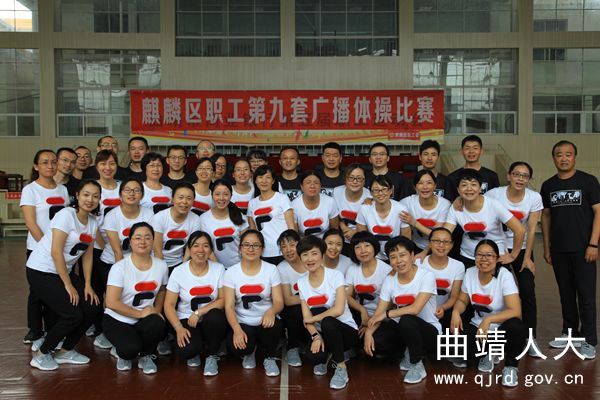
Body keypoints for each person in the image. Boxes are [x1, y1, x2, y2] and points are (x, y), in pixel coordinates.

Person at [26, 180, 102, 371]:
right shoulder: (66, 215)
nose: (90, 199)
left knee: (92, 307)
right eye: (86, 194)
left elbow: (87, 256)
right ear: (77, 195)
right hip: (41, 270)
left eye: (95, 196)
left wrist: (87, 284)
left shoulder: (93, 222)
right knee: (72, 314)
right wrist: (68, 285)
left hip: (62, 272)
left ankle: (66, 351)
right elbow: (56, 252)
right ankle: (42, 354)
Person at [541, 140, 600, 359]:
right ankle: (570, 333)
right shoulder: (548, 185)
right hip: (559, 250)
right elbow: (546, 217)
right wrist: (547, 247)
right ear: (553, 158)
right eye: (559, 154)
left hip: (584, 249)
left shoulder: (588, 181)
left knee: (586, 296)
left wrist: (593, 244)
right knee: (565, 295)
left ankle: (589, 340)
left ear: (575, 157)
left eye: (568, 154)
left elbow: (599, 212)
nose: (564, 158)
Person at [363, 236, 440, 384]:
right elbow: (379, 312)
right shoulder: (390, 280)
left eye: (402, 255)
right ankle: (408, 350)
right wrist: (368, 332)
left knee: (407, 320)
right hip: (403, 328)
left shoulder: (426, 276)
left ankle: (417, 364)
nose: (398, 261)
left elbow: (415, 309)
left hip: (428, 331)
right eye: (393, 257)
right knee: (377, 342)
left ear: (412, 256)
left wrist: (387, 314)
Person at [450, 240, 527, 387]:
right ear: (474, 257)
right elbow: (462, 300)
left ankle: (510, 367)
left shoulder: (504, 275)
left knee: (517, 327)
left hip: (501, 328)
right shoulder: (470, 272)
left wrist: (488, 320)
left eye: (489, 255)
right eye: (479, 255)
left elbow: (515, 311)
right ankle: (488, 352)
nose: (484, 259)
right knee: (455, 347)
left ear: (497, 258)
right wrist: (455, 311)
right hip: (478, 328)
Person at [486, 161, 543, 356]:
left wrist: (526, 257)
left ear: (529, 179)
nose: (520, 179)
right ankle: (495, 337)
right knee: (495, 291)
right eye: (516, 174)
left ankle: (530, 338)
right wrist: (459, 201)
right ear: (509, 176)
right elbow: (477, 203)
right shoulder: (494, 194)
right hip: (499, 248)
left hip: (523, 248)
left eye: (525, 176)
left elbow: (532, 229)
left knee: (527, 291)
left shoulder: (534, 197)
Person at [93, 179, 154, 349]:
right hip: (114, 263)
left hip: (140, 262)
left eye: (136, 190)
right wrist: (125, 275)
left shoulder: (149, 213)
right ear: (120, 194)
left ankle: (134, 331)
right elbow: (117, 251)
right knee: (115, 299)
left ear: (142, 194)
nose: (132, 194)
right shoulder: (112, 215)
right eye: (127, 190)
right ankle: (110, 333)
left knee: (135, 297)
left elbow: (150, 242)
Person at [103, 222, 168, 374]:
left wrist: (156, 311)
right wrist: (139, 314)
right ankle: (122, 352)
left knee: (158, 324)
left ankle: (146, 356)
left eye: (147, 238)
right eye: (138, 238)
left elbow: (162, 290)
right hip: (118, 319)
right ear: (130, 241)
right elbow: (111, 302)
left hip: (144, 318)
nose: (143, 242)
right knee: (129, 349)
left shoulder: (161, 266)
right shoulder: (119, 267)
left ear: (153, 241)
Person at [296, 235, 358, 390]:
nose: (310, 259)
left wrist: (314, 319)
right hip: (322, 332)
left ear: (322, 256)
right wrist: (315, 336)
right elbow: (306, 318)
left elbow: (338, 310)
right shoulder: (301, 283)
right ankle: (329, 354)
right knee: (314, 358)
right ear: (300, 258)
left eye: (314, 253)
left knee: (328, 321)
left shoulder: (335, 276)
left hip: (346, 332)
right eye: (305, 254)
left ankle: (341, 367)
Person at [20, 149, 69, 344]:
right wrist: (46, 248)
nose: (50, 165)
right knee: (37, 291)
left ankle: (51, 328)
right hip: (38, 248)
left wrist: (57, 249)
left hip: (59, 249)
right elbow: (31, 223)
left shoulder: (62, 190)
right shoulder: (30, 190)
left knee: (55, 290)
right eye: (45, 162)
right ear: (36, 166)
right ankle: (35, 330)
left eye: (53, 162)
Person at [164, 231, 227, 375]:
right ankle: (197, 347)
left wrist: (199, 312)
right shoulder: (178, 271)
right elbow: (168, 305)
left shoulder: (218, 268)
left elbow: (223, 299)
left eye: (205, 246)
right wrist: (178, 328)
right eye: (196, 245)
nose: (201, 250)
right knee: (187, 351)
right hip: (187, 319)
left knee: (216, 316)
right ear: (189, 249)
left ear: (211, 250)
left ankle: (212, 355)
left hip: (208, 318)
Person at [223, 230, 284, 376]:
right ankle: (249, 352)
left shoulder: (271, 269)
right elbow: (229, 306)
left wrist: (271, 311)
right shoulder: (231, 272)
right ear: (240, 248)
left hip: (265, 321)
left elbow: (279, 301)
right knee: (239, 348)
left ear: (262, 249)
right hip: (243, 321)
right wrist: (237, 329)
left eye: (256, 245)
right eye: (246, 245)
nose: (251, 249)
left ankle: (269, 357)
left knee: (274, 326)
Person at [443, 169, 525, 268]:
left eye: (473, 184)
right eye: (464, 185)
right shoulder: (456, 207)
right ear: (458, 190)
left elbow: (519, 229)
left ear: (480, 188)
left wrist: (512, 256)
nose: (469, 188)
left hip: (495, 256)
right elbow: (445, 233)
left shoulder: (493, 205)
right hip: (468, 256)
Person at [247, 165, 295, 265]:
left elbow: (291, 227)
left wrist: (291, 248)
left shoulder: (282, 198)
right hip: (262, 253)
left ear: (273, 181)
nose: (264, 181)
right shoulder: (252, 203)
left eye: (268, 177)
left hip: (282, 251)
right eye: (260, 177)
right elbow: (253, 231)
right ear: (255, 181)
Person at [417, 227, 464, 330]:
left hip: (443, 311)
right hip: (420, 311)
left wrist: (443, 307)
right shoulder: (418, 263)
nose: (441, 245)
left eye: (446, 242)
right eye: (436, 241)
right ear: (429, 243)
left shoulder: (458, 266)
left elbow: (454, 296)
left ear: (451, 245)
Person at [345, 231, 392, 333]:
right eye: (358, 247)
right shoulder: (352, 269)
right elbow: (347, 296)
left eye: (367, 246)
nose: (363, 250)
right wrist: (362, 310)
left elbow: (389, 303)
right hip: (359, 314)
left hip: (381, 316)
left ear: (374, 247)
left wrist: (372, 321)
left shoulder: (387, 270)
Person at [151, 183, 202, 273]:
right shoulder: (159, 218)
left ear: (193, 201)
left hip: (179, 262)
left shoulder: (195, 219)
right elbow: (157, 250)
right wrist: (163, 272)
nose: (184, 202)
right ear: (172, 199)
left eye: (189, 198)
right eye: (180, 197)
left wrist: (182, 268)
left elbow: (190, 247)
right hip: (156, 263)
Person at [356, 175, 411, 260]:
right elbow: (362, 238)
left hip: (396, 256)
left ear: (391, 190)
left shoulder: (401, 209)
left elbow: (406, 240)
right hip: (372, 256)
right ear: (371, 192)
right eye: (376, 190)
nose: (380, 193)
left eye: (384, 189)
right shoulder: (364, 209)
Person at [198, 179, 249, 269]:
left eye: (225, 194)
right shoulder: (203, 219)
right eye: (217, 194)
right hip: (214, 268)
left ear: (231, 196)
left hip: (239, 266)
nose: (221, 198)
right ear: (212, 195)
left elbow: (246, 244)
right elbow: (205, 246)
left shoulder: (239, 216)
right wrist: (219, 268)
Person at [276, 229, 308, 368]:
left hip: (314, 307)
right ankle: (292, 347)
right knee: (296, 311)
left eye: (292, 245)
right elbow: (288, 300)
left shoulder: (310, 261)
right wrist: (311, 299)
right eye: (283, 247)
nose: (288, 250)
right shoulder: (281, 268)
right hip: (293, 310)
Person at [400, 170, 451, 253]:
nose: (425, 187)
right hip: (415, 246)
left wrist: (414, 222)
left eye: (429, 183)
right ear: (415, 187)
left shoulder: (444, 204)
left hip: (439, 248)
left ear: (435, 186)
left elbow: (438, 235)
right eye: (420, 183)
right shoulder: (407, 202)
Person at [332, 163, 371, 256]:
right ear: (345, 179)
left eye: (359, 178)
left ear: (364, 181)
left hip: (362, 239)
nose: (355, 181)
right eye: (351, 178)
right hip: (341, 238)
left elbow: (371, 222)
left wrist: (356, 231)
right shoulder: (337, 191)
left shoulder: (369, 196)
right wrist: (344, 228)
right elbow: (333, 215)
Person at [447, 135, 499, 200]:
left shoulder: (492, 176)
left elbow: (496, 200)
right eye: (467, 148)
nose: (471, 151)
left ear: (481, 151)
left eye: (475, 148)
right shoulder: (452, 177)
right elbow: (450, 201)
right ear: (461, 151)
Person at [292, 171, 338, 238]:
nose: (312, 186)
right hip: (304, 242)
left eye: (316, 183)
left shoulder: (330, 202)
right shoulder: (294, 205)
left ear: (320, 186)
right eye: (308, 183)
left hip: (325, 242)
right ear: (301, 186)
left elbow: (334, 230)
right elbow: (294, 235)